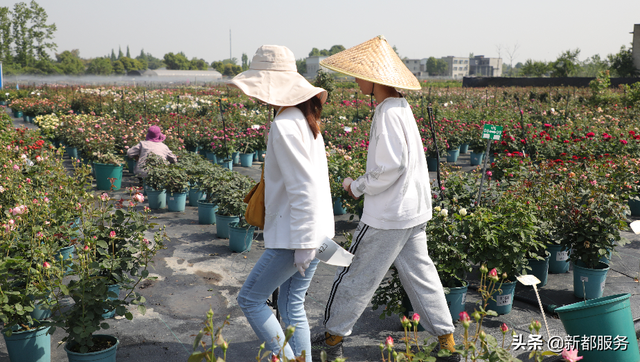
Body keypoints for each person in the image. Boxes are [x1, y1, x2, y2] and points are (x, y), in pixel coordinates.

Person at [311, 36, 459, 362]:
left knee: (356, 273)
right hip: (412, 211)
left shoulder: (387, 113)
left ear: (375, 79)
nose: (356, 80)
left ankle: (333, 334)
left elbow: (390, 167)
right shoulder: (401, 108)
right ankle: (447, 340)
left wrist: (357, 186)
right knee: (422, 275)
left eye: (360, 75)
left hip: (388, 214)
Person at [233, 45, 335, 362]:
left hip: (297, 236)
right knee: (292, 304)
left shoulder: (286, 125)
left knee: (250, 299)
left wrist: (304, 243)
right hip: (314, 232)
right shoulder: (303, 119)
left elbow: (304, 187)